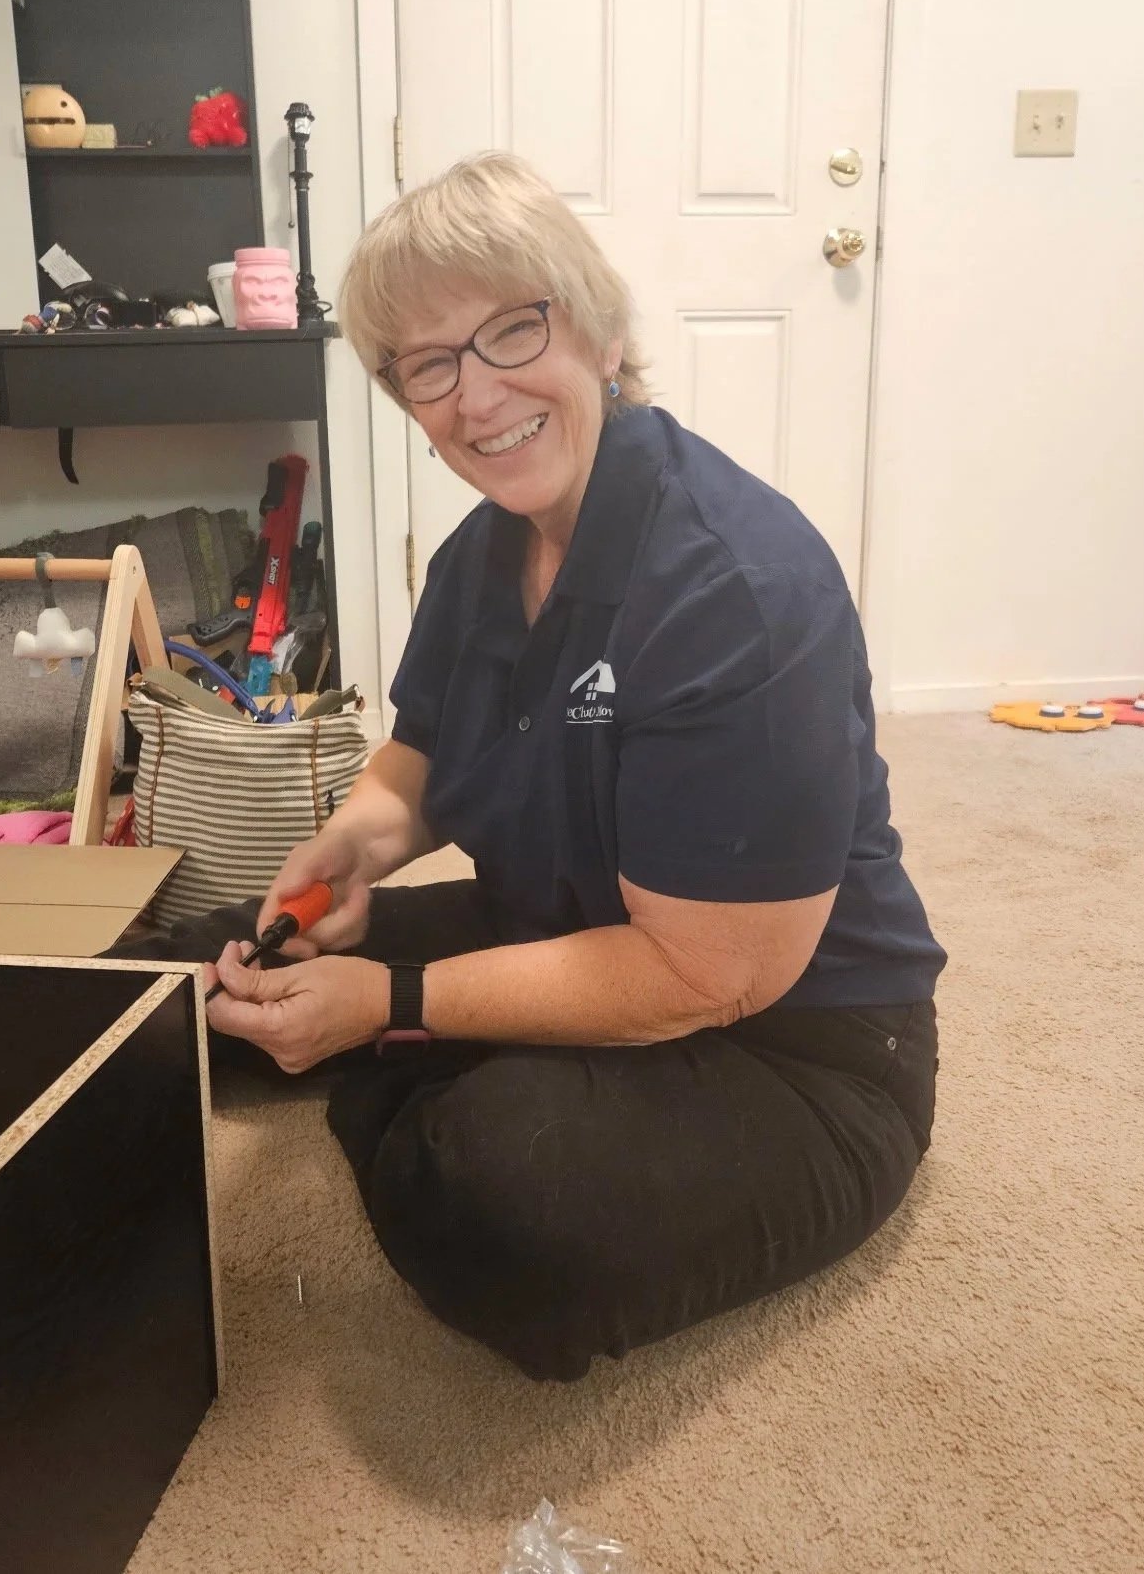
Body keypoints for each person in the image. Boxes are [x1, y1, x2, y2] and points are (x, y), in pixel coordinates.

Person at [160, 151, 943, 1383]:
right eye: (427, 365)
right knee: (180, 964)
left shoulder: (735, 587)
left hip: (795, 1044)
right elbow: (421, 758)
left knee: (503, 1194)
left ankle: (410, 1072)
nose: (476, 397)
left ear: (601, 332)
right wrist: (351, 844)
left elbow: (710, 973)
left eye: (511, 330)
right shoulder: (480, 556)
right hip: (565, 923)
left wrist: (393, 1004)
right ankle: (434, 1051)